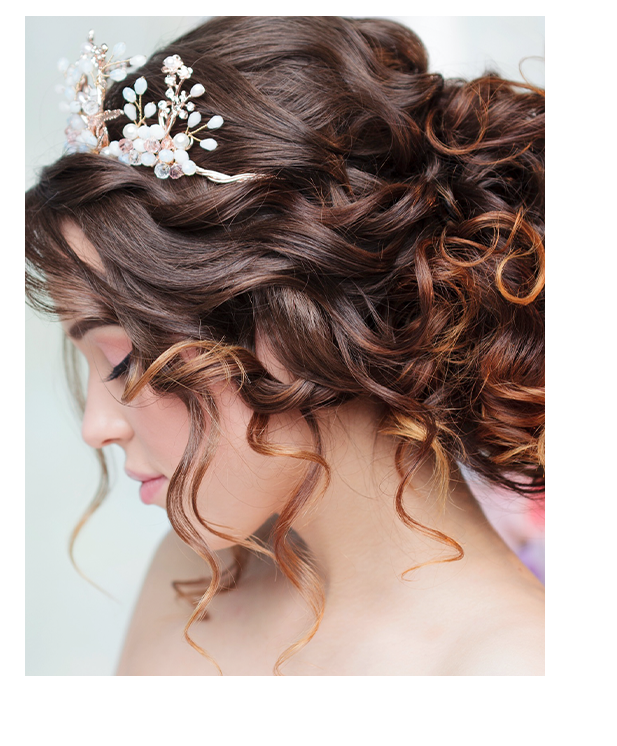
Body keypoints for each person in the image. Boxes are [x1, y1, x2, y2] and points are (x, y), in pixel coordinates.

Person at [25, 16, 545, 676]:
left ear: (293, 323)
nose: (96, 426)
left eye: (122, 359)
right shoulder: (197, 581)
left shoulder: (509, 672)